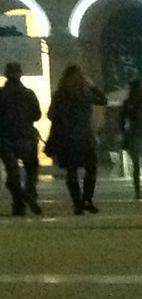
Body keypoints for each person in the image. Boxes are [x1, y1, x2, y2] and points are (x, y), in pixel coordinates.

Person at [46, 66, 107, 215]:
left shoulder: (60, 95)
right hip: (84, 137)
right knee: (90, 169)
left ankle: (78, 202)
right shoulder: (84, 94)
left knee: (73, 172)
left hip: (71, 138)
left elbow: (50, 114)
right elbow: (103, 100)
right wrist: (92, 85)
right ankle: (86, 200)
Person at [0, 62, 43, 216]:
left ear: (6, 74)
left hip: (5, 138)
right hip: (26, 137)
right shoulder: (29, 94)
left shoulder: (1, 94)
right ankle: (29, 193)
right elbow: (37, 115)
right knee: (31, 170)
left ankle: (19, 201)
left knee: (12, 173)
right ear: (20, 74)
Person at [119, 81, 142, 203]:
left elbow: (121, 121)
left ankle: (137, 191)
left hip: (132, 135)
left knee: (135, 166)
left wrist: (123, 133)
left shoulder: (127, 103)